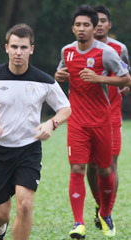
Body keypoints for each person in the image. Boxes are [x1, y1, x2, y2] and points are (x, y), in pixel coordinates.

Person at [0, 23, 71, 240]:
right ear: (6, 48)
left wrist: (51, 124)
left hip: (28, 149)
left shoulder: (44, 80)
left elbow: (65, 108)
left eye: (23, 47)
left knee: (25, 205)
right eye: (14, 47)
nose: (18, 52)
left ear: (32, 49)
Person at [54, 5, 131, 238]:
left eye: (86, 24)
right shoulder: (66, 51)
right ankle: (78, 223)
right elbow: (60, 72)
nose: (82, 28)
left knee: (106, 169)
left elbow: (126, 78)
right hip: (76, 120)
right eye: (78, 24)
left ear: (97, 26)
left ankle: (105, 212)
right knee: (78, 168)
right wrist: (59, 76)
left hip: (103, 120)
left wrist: (100, 78)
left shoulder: (108, 52)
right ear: (72, 28)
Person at [86, 5, 130, 231]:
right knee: (91, 166)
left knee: (111, 164)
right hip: (87, 117)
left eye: (104, 20)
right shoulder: (81, 49)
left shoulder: (119, 49)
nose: (100, 24)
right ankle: (99, 204)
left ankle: (107, 212)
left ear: (109, 25)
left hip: (112, 116)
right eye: (97, 21)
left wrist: (125, 88)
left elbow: (125, 75)